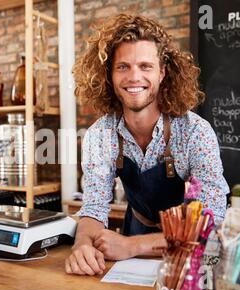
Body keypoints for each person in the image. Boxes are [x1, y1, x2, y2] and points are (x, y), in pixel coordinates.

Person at [65, 14, 229, 276]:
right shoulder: (100, 135)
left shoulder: (195, 132)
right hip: (131, 242)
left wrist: (131, 246)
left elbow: (209, 222)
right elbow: (94, 208)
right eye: (123, 67)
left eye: (145, 66)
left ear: (162, 73)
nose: (134, 77)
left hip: (186, 253)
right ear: (109, 74)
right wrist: (83, 244)